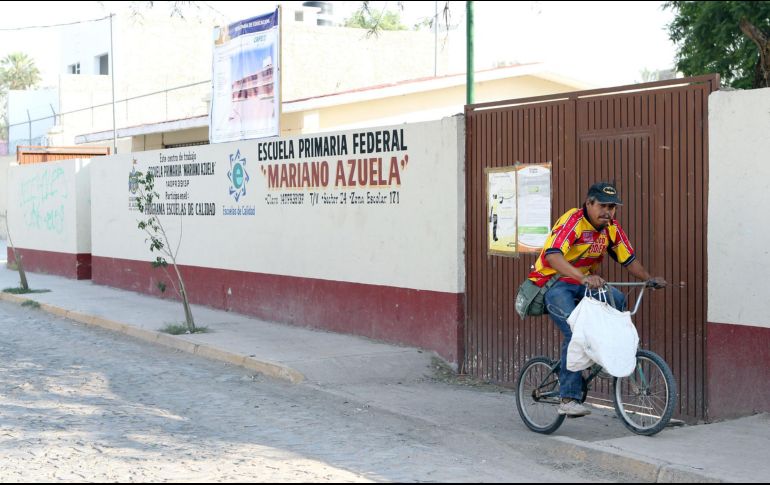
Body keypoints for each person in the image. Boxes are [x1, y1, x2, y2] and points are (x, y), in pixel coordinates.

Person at [527, 182, 666, 417]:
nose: (608, 212)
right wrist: (583, 277)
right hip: (554, 284)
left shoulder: (611, 228)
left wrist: (649, 279)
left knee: (618, 300)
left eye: (613, 207)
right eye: (603, 205)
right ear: (589, 203)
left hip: (584, 284)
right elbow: (553, 256)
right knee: (576, 331)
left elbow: (629, 260)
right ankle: (568, 398)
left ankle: (603, 353)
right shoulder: (573, 221)